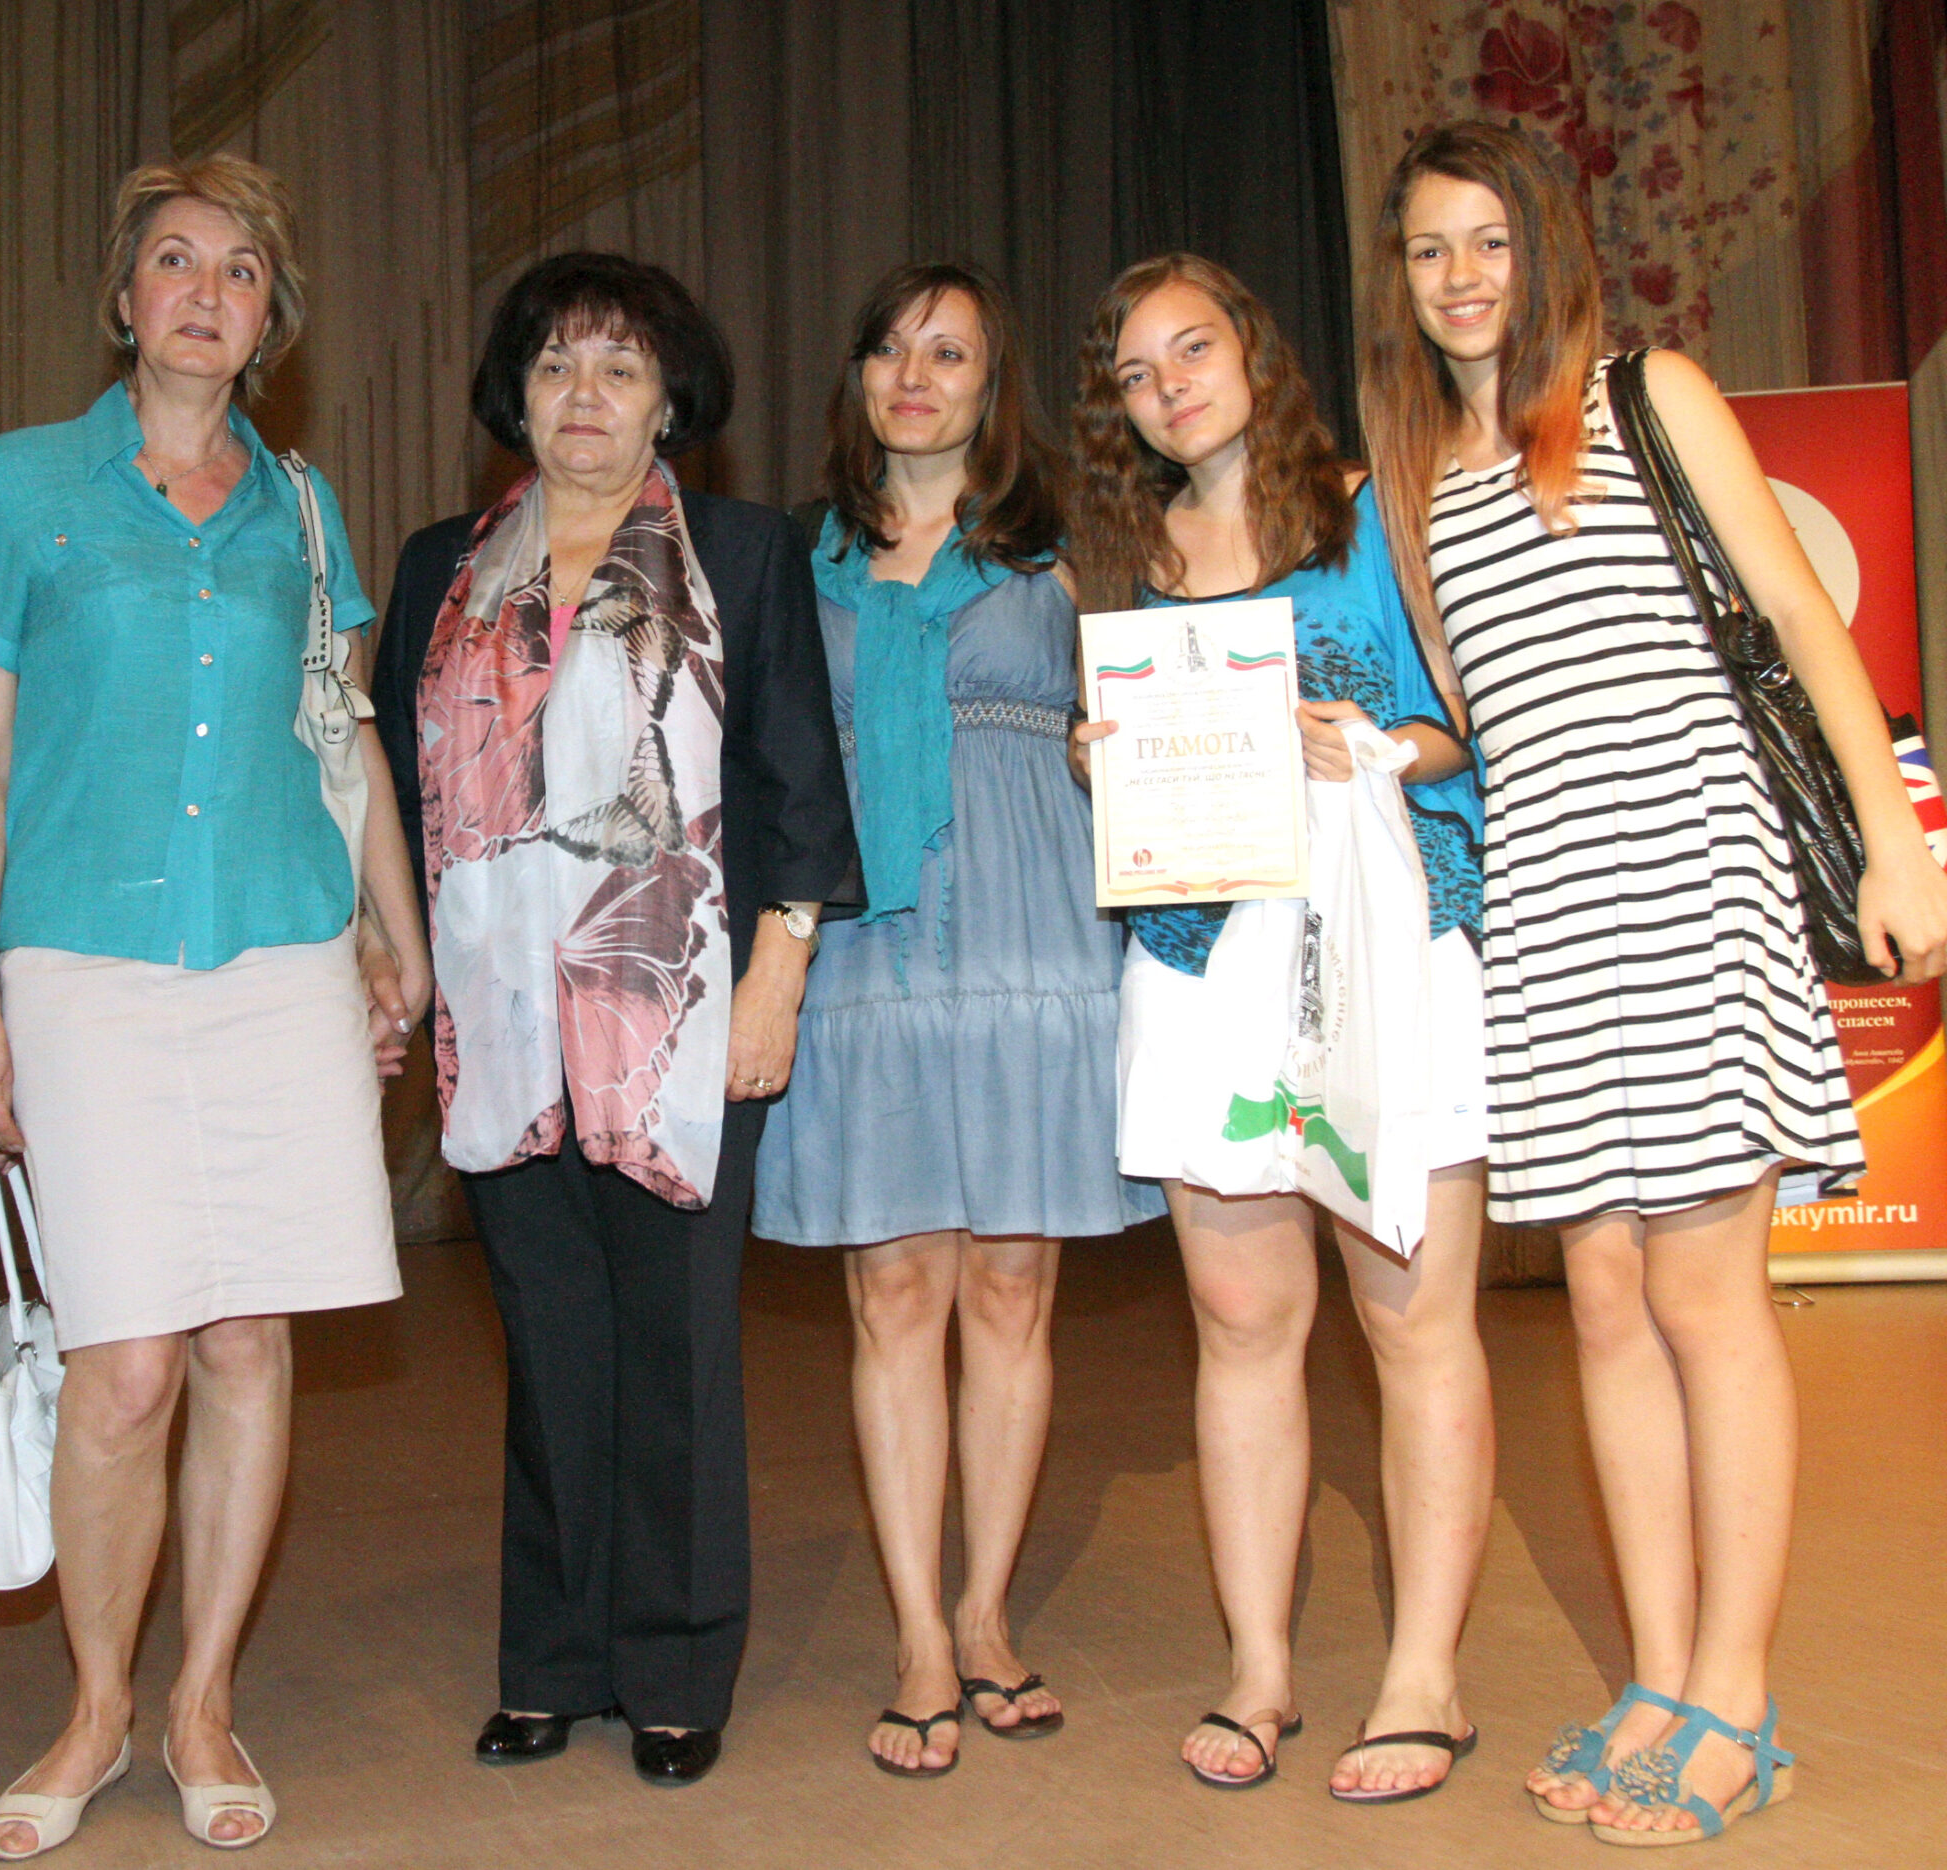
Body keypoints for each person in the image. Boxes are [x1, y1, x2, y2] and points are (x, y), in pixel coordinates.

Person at [1361, 121, 1947, 1843]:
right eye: (1428, 249)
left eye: (1489, 240)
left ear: (1544, 246)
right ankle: (1665, 1672)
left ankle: (1737, 1700)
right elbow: (1483, 713)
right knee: (1604, 1303)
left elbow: (1806, 624)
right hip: (1548, 909)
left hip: (1690, 877)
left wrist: (1901, 848)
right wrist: (1372, 744)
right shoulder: (1417, 478)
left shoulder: (1648, 396)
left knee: (1702, 1292)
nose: (1461, 276)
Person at [0, 154, 429, 1859]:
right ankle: (94, 1705)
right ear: (123, 295)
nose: (204, 292)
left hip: (281, 955)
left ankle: (202, 1697)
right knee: (127, 1362)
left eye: (239, 270)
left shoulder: (304, 505)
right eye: (173, 259)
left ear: (269, 317)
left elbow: (344, 734)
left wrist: (398, 935)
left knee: (245, 1339)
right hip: (84, 961)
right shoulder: (22, 485)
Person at [371, 251, 857, 1790]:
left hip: (680, 1015)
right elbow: (391, 789)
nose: (585, 395)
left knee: (676, 1351)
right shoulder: (440, 566)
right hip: (501, 1018)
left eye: (620, 367)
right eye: (557, 365)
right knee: (550, 1346)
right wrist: (387, 958)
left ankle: (674, 1666)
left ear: (669, 401)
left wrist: (778, 975)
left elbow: (796, 778)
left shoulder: (742, 552)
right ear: (515, 394)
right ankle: (551, 1663)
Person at [1072, 253, 1496, 1802]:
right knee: (1242, 1320)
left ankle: (1425, 1676)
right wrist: (1100, 753)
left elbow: (1467, 721)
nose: (1170, 386)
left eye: (1193, 348)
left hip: (1389, 946)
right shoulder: (1123, 561)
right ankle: (1259, 1667)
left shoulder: (1379, 512)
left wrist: (1372, 740)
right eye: (1136, 372)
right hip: (1201, 962)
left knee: (1411, 1317)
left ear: (1255, 349)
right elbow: (1119, 758)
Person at [749, 262, 1159, 1778]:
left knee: (1011, 1288)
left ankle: (985, 1613)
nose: (914, 377)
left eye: (950, 353)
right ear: (858, 377)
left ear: (995, 386)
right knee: (895, 1290)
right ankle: (919, 1631)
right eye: (890, 349)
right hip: (862, 950)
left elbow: (1139, 729)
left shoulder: (1069, 550)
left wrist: (1121, 749)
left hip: (1034, 941)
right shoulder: (792, 561)